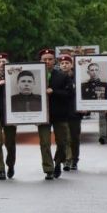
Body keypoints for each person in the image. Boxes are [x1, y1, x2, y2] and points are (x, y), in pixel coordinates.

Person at [37, 49, 73, 181]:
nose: (47, 62)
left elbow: (69, 94)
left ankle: (58, 162)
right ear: (40, 61)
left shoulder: (63, 76)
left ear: (54, 61)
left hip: (59, 114)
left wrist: (54, 91)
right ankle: (48, 169)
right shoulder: (35, 75)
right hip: (42, 115)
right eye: (44, 59)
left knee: (62, 142)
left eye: (50, 59)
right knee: (44, 143)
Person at [62, 55, 84, 171]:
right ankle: (67, 160)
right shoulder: (57, 77)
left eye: (67, 63)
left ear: (71, 65)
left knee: (74, 137)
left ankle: (75, 159)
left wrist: (85, 107)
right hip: (62, 112)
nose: (64, 65)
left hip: (75, 112)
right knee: (66, 138)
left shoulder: (79, 77)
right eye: (62, 63)